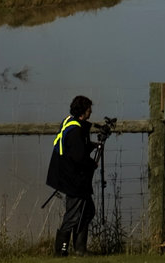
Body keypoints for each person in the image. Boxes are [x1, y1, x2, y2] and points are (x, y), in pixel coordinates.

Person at [46, 95, 101, 256]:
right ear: (83, 111)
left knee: (87, 210)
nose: (91, 111)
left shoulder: (69, 122)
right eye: (89, 108)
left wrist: (93, 145)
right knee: (73, 214)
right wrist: (93, 164)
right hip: (72, 179)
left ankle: (80, 249)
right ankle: (61, 252)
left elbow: (77, 148)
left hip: (66, 175)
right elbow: (79, 156)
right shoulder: (76, 130)